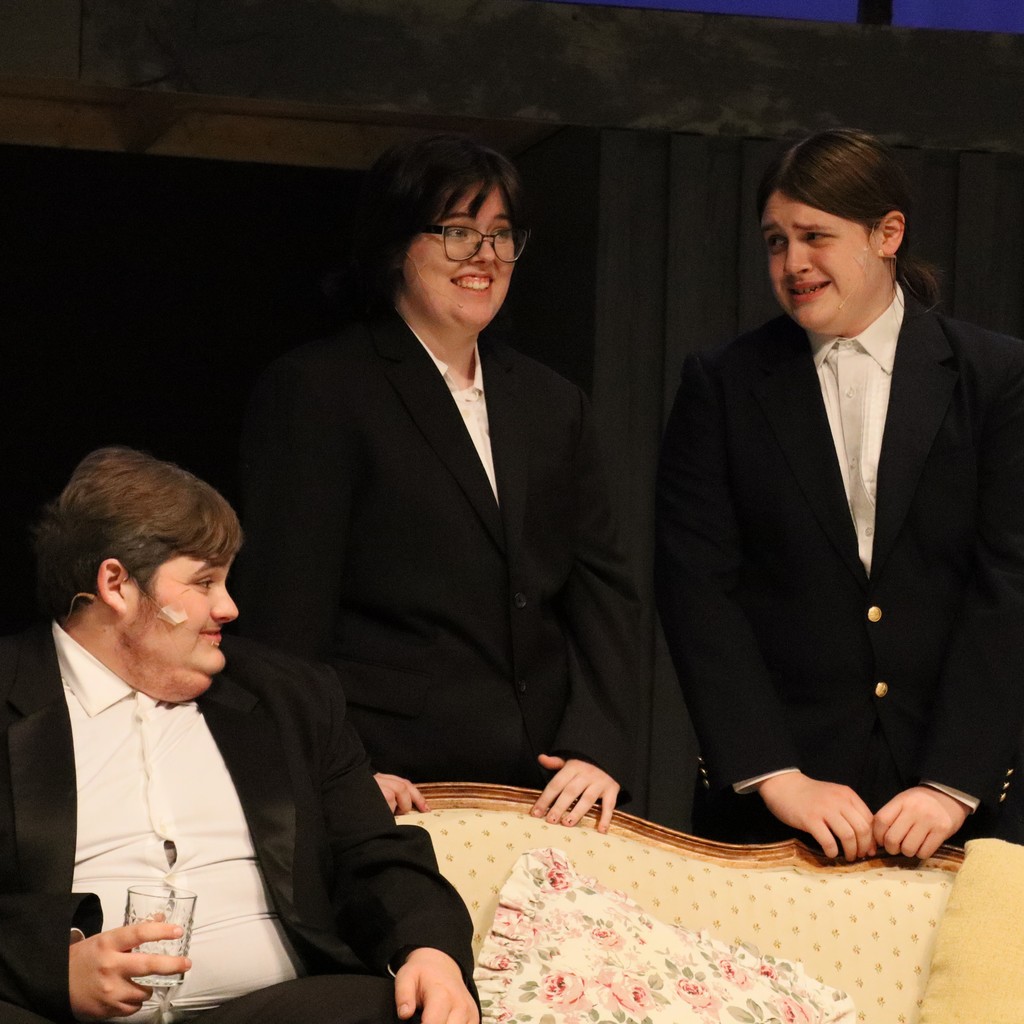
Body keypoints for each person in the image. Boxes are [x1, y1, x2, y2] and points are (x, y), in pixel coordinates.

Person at [234, 134, 639, 833]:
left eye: (501, 235)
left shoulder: (553, 402)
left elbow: (601, 589)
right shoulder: (321, 389)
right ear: (396, 245)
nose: (484, 256)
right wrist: (342, 768)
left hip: (551, 787)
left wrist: (596, 745)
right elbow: (285, 612)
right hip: (393, 778)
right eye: (457, 232)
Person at [0, 447, 478, 1024]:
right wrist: (53, 965)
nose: (229, 607)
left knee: (387, 1009)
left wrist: (428, 951)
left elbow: (373, 854)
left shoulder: (290, 698)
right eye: (204, 582)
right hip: (57, 1015)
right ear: (116, 585)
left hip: (278, 1012)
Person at [655, 128, 1024, 862]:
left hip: (962, 802)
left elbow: (1009, 584)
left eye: (815, 237)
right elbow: (698, 589)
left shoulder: (997, 376)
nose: (793, 264)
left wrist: (953, 782)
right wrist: (774, 773)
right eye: (774, 241)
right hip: (779, 805)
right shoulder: (724, 383)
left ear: (887, 234)